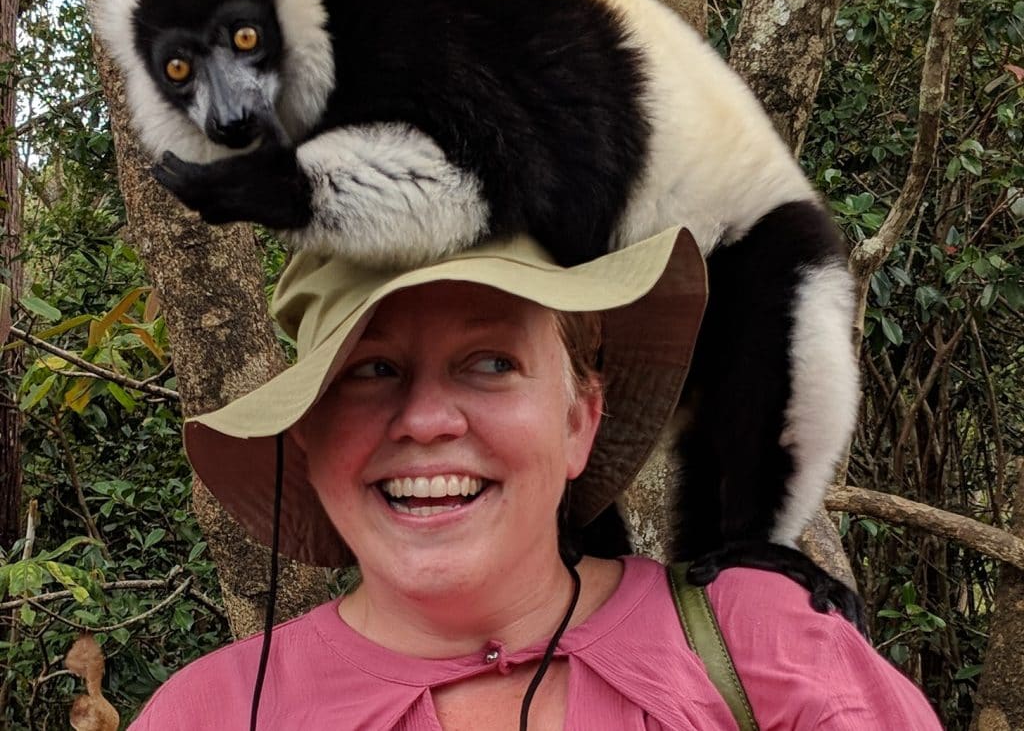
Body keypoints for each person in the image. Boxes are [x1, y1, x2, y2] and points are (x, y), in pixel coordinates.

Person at [129, 227, 941, 730]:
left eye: (491, 362)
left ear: (580, 419)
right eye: (370, 369)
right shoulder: (208, 714)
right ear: (303, 438)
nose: (426, 421)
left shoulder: (768, 653)